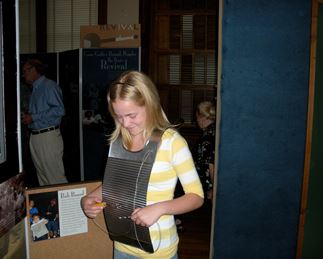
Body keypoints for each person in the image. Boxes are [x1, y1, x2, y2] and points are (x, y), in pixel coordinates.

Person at [81, 71, 204, 259]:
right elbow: (117, 185)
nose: (125, 123)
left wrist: (160, 208)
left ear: (150, 104)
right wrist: (90, 198)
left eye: (131, 115)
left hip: (158, 250)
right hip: (122, 244)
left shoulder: (172, 142)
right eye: (119, 116)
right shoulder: (119, 140)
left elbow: (196, 197)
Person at [22, 59, 68, 186]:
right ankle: (51, 205)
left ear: (34, 70)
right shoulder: (35, 89)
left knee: (55, 178)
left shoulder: (49, 86)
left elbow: (60, 110)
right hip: (36, 137)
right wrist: (29, 117)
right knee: (43, 179)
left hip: (48, 137)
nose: (23, 75)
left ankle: (66, 205)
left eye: (25, 71)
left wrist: (34, 117)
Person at [193, 101, 216, 201]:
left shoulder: (206, 138)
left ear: (202, 117)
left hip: (208, 188)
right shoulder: (215, 131)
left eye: (197, 117)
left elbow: (211, 164)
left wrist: (214, 189)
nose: (196, 121)